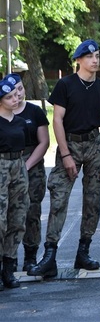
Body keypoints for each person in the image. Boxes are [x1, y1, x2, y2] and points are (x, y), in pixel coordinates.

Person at [28, 39, 100, 278]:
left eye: (97, 56)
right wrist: (65, 154)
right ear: (78, 60)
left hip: (95, 145)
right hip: (71, 144)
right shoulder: (65, 85)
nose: (95, 60)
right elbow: (57, 120)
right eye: (89, 57)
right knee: (59, 198)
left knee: (93, 200)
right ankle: (50, 255)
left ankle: (83, 252)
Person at [6, 73, 50, 272]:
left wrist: (27, 165)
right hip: (7, 165)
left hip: (32, 165)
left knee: (31, 212)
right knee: (8, 214)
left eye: (21, 89)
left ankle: (31, 256)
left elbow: (44, 142)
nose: (18, 95)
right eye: (13, 92)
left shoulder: (34, 112)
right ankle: (9, 259)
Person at [0, 80, 29, 290]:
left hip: (19, 166)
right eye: (9, 97)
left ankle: (8, 270)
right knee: (0, 221)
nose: (15, 99)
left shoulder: (19, 122)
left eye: (16, 95)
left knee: (17, 218)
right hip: (0, 166)